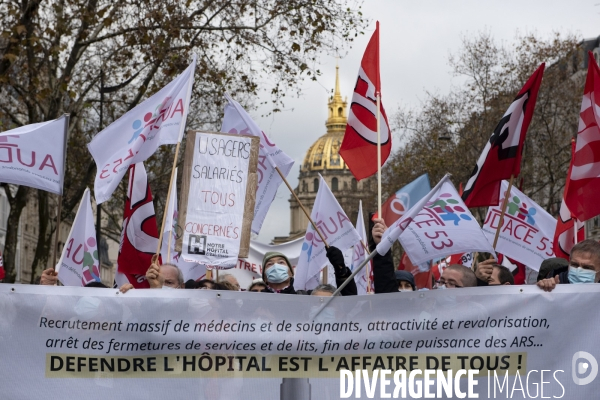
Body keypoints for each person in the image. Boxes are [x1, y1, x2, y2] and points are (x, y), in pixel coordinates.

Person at [262, 246, 357, 295]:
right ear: (265, 277)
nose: (275, 266)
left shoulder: (307, 297)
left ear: (291, 273)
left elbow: (346, 302)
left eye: (281, 262)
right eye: (270, 264)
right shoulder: (255, 300)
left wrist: (340, 269)